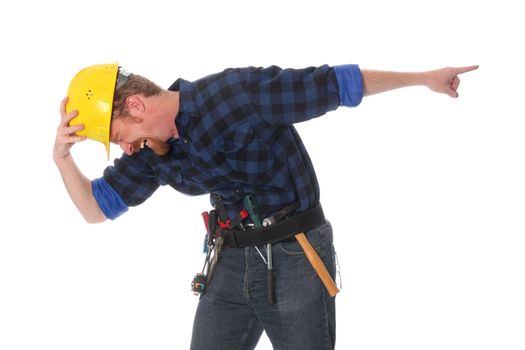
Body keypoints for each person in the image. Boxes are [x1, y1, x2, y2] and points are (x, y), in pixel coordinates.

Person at [54, 62, 478, 349]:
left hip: (295, 254)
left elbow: (337, 84)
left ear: (135, 105)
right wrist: (62, 158)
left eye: (118, 136)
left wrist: (424, 78)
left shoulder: (236, 95)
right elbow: (96, 208)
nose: (124, 150)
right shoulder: (151, 151)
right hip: (231, 260)